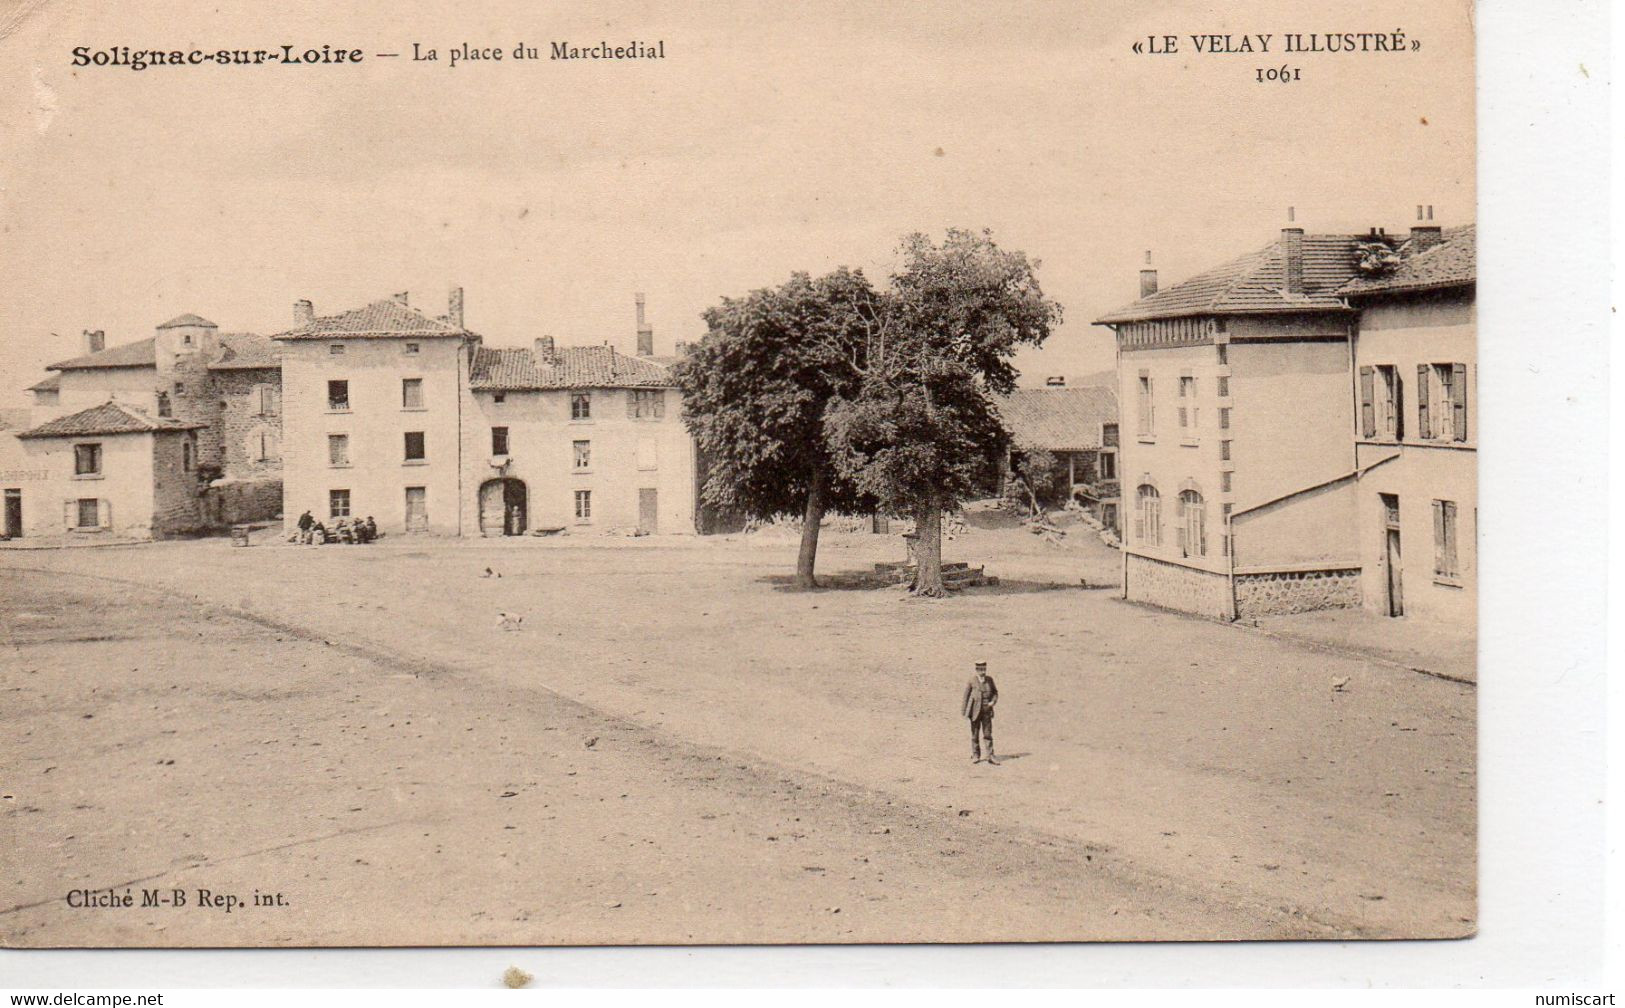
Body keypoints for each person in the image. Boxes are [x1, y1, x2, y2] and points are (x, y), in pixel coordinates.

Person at [961, 660, 999, 765]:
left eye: (984, 669)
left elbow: (995, 693)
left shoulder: (990, 680)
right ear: (977, 670)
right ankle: (976, 755)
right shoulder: (971, 680)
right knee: (975, 735)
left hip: (987, 712)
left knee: (988, 734)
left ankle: (991, 756)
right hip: (975, 712)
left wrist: (993, 702)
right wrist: (965, 712)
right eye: (981, 669)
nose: (983, 672)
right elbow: (966, 696)